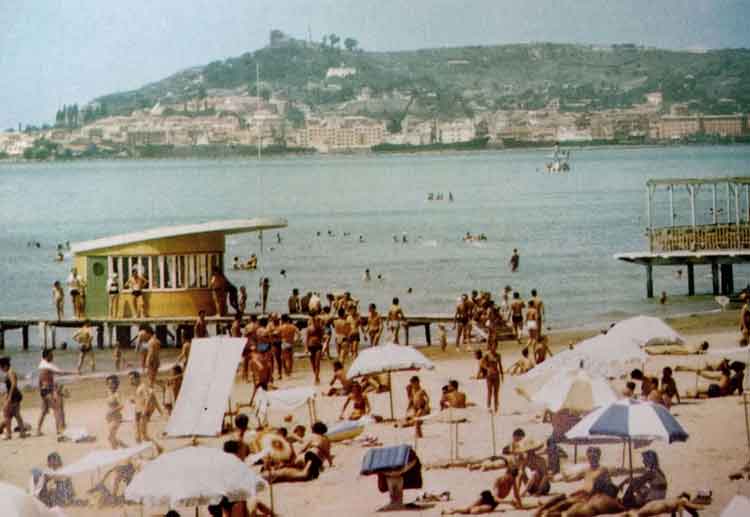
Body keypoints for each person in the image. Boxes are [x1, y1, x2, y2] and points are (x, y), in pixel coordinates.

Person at [266, 421, 333, 483]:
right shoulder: (326, 440)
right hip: (319, 461)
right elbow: (327, 453)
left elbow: (303, 448)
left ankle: (281, 467)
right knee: (299, 467)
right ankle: (284, 466)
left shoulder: (313, 436)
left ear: (315, 429)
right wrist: (330, 463)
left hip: (310, 455)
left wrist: (296, 456)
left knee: (295, 465)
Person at [36, 349, 71, 438]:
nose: (53, 356)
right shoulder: (47, 366)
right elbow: (61, 373)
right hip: (48, 390)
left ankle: (38, 430)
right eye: (51, 355)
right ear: (47, 356)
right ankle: (58, 429)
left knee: (44, 411)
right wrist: (74, 372)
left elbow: (40, 380)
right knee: (56, 409)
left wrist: (40, 390)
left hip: (44, 390)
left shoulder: (42, 365)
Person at [129, 371, 163, 453]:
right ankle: (139, 452)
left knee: (144, 435)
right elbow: (144, 399)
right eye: (130, 379)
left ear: (137, 378)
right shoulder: (137, 387)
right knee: (137, 435)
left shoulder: (143, 386)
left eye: (132, 379)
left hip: (142, 412)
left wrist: (145, 410)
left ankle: (158, 447)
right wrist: (134, 400)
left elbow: (148, 398)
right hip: (137, 412)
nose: (130, 381)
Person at [0, 356, 27, 439]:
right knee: (16, 414)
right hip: (16, 395)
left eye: (1, 367)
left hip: (13, 396)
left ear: (5, 366)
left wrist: (9, 397)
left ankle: (8, 434)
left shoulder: (10, 372)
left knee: (7, 415)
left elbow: (13, 384)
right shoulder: (10, 371)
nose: (1, 370)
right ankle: (22, 432)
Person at [105, 375, 128, 449]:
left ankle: (119, 450)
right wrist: (108, 414)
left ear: (116, 384)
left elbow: (121, 405)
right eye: (108, 383)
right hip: (109, 418)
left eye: (112, 383)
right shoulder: (108, 392)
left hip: (116, 418)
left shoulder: (117, 394)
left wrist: (111, 411)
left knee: (110, 437)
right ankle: (124, 448)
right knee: (112, 437)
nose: (110, 385)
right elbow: (110, 405)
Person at [480, 348, 503, 412]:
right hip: (489, 375)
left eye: (495, 345)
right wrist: (487, 368)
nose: (493, 347)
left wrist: (502, 374)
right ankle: (489, 407)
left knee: (496, 393)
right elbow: (481, 363)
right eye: (492, 345)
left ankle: (496, 408)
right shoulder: (487, 355)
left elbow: (500, 365)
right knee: (489, 392)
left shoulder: (498, 355)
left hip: (496, 374)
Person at [306, 310, 325, 384]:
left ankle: (316, 378)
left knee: (317, 363)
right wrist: (306, 348)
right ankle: (316, 376)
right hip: (310, 346)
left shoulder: (319, 327)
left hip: (318, 346)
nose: (315, 319)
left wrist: (323, 347)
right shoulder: (309, 328)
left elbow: (322, 337)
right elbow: (306, 339)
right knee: (313, 364)